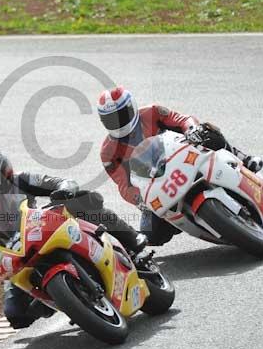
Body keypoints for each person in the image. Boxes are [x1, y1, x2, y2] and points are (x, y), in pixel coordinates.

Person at [0, 153, 149, 329]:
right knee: (15, 314)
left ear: (8, 178)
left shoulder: (23, 180)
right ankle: (66, 301)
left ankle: (132, 239)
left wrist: (65, 190)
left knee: (85, 201)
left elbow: (60, 182)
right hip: (18, 253)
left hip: (38, 226)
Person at [98, 85, 263, 246]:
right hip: (156, 183)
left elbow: (182, 119)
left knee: (207, 132)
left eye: (121, 115)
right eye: (111, 119)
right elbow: (124, 186)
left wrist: (192, 129)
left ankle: (246, 159)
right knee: (150, 234)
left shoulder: (152, 111)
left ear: (131, 107)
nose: (118, 123)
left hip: (181, 156)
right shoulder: (108, 153)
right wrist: (139, 199)